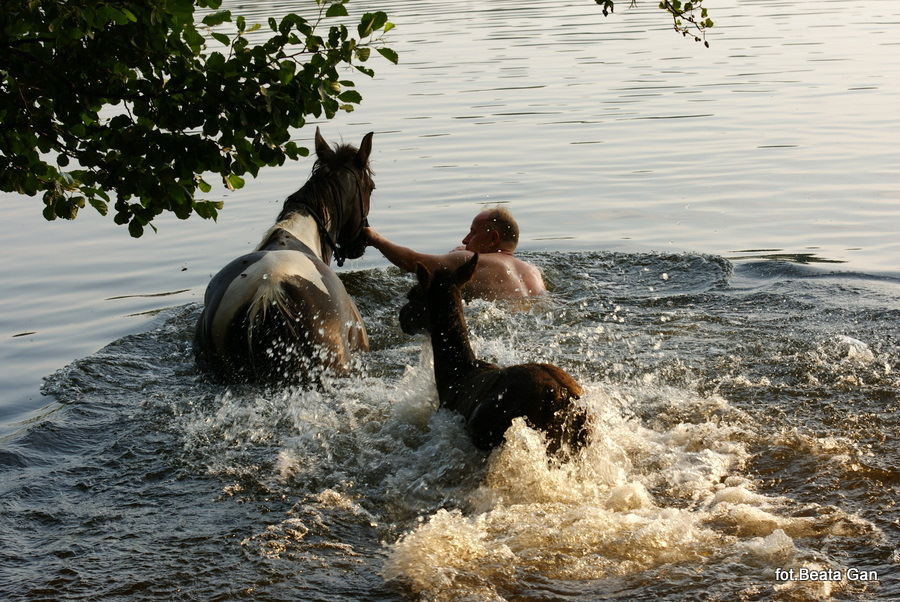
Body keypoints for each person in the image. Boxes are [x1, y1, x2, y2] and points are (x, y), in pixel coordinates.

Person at [364, 207, 547, 301]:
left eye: (473, 233)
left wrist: (376, 239)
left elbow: (412, 262)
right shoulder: (533, 271)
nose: (465, 240)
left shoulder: (470, 260)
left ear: (493, 238)